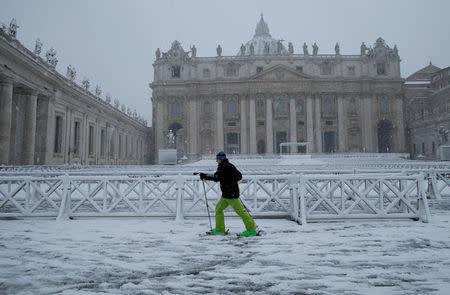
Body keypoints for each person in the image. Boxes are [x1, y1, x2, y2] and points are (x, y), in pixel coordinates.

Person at [200, 151, 257, 237]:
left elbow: (216, 177)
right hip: (227, 194)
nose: (216, 161)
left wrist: (204, 176)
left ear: (221, 159)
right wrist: (231, 182)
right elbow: (239, 176)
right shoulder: (230, 166)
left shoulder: (224, 167)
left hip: (231, 195)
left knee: (241, 212)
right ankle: (220, 229)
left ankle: (251, 229)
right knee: (218, 209)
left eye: (217, 159)